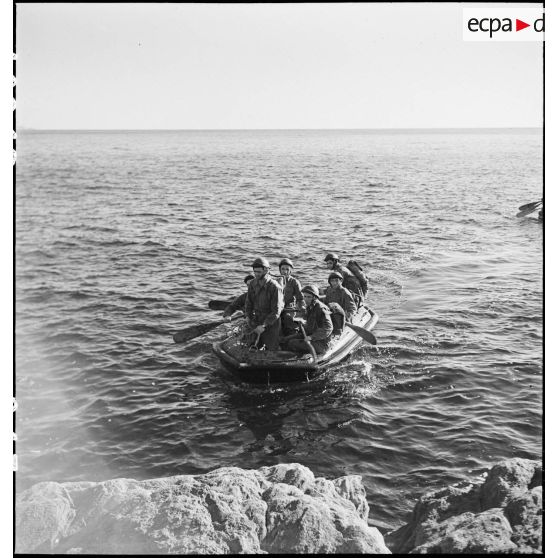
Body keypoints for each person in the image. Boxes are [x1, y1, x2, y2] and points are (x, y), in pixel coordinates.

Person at [244, 257, 284, 350]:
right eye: (255, 272)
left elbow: (277, 310)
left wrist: (264, 325)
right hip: (256, 319)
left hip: (271, 322)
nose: (256, 274)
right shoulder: (253, 284)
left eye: (259, 272)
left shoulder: (275, 287)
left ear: (266, 271)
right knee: (250, 346)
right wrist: (248, 317)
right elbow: (248, 303)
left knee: (272, 348)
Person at [286, 285, 333, 356]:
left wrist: (312, 337)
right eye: (304, 296)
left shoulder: (321, 309)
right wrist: (302, 323)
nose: (306, 299)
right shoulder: (310, 307)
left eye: (309, 297)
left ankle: (300, 356)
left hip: (321, 343)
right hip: (312, 337)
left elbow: (328, 328)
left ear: (314, 298)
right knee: (286, 339)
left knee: (292, 343)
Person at [277, 258, 304, 335]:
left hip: (289, 308)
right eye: (283, 269)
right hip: (277, 307)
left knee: (287, 318)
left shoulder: (294, 282)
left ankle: (292, 335)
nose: (285, 271)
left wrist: (301, 308)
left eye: (287, 269)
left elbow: (300, 298)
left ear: (290, 271)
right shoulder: (276, 281)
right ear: (279, 270)